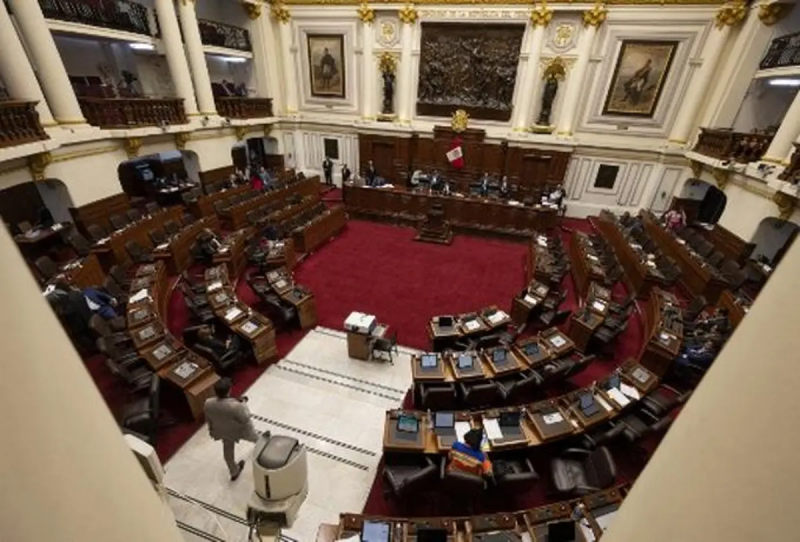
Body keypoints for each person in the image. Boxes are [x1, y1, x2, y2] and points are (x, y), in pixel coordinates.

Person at [204, 377, 262, 480]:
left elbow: (208, 418)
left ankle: (233, 471)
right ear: (229, 390)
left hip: (222, 431)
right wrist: (243, 403)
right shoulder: (235, 405)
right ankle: (264, 451)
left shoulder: (208, 402)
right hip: (240, 430)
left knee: (228, 450)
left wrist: (211, 430)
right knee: (256, 438)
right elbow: (245, 418)